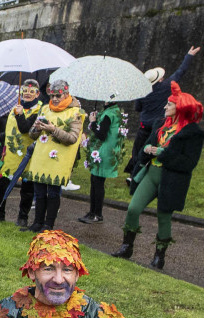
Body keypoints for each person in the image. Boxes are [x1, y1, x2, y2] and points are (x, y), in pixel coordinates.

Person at [112, 82, 203, 269]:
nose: (165, 107)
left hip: (172, 179)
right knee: (133, 209)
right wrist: (146, 150)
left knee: (163, 216)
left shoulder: (193, 133)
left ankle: (159, 257)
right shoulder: (160, 124)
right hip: (151, 174)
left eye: (169, 104)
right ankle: (127, 246)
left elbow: (188, 163)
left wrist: (162, 153)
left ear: (180, 108)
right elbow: (146, 148)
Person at [127, 46, 199, 178]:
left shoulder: (142, 92)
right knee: (154, 148)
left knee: (138, 150)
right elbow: (180, 72)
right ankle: (149, 172)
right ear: (159, 79)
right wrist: (189, 55)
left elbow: (138, 108)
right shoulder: (166, 87)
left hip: (143, 127)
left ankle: (133, 175)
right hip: (159, 125)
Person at [24, 79, 86, 232]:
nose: (55, 99)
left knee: (52, 193)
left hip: (59, 159)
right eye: (52, 96)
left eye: (58, 96)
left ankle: (48, 225)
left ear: (66, 94)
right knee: (39, 192)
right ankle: (37, 222)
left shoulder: (75, 112)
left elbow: (72, 138)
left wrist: (53, 129)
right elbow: (32, 135)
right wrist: (37, 128)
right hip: (41, 156)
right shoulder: (45, 109)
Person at [0, 80, 42, 226]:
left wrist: (19, 114)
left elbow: (25, 128)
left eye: (31, 92)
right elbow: (10, 129)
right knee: (0, 182)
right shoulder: (15, 108)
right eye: (25, 91)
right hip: (10, 155)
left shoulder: (39, 111)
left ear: (37, 94)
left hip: (27, 155)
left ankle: (22, 217)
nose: (27, 94)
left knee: (27, 188)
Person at [78, 101, 127, 224]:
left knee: (97, 182)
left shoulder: (108, 114)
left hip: (103, 152)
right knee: (95, 181)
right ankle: (93, 212)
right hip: (107, 150)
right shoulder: (113, 111)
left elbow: (101, 135)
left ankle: (96, 214)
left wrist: (93, 122)